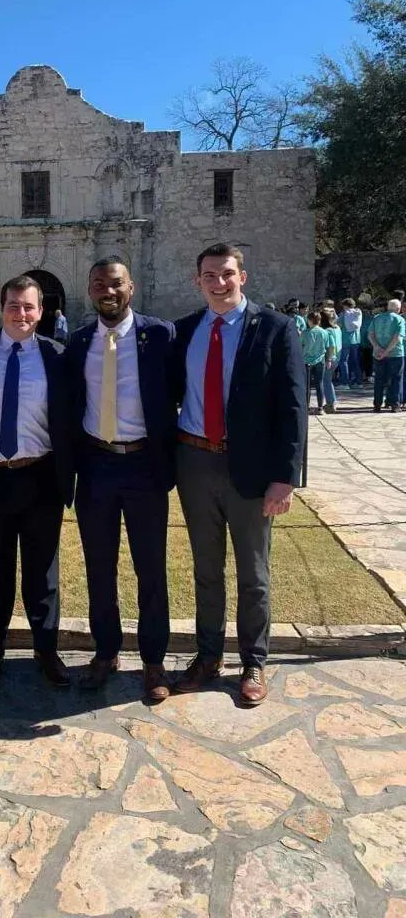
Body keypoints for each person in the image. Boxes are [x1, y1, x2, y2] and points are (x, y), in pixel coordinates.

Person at [173, 243, 306, 706]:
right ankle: (208, 656)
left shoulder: (274, 329)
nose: (219, 282)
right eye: (210, 275)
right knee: (206, 569)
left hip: (249, 469)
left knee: (253, 572)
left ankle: (253, 660)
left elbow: (293, 407)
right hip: (195, 463)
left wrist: (285, 477)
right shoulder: (185, 331)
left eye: (227, 273)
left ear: (242, 277)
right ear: (198, 281)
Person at [66, 256, 177, 702]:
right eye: (98, 284)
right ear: (89, 290)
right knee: (99, 567)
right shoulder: (78, 342)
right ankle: (106, 651)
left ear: (131, 287)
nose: (107, 291)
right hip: (96, 466)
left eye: (115, 283)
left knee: (150, 568)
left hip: (144, 466)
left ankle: (153, 660)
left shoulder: (161, 336)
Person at [0, 275, 73, 692]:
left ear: (41, 311)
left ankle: (46, 651)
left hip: (40, 476)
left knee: (43, 574)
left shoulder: (58, 356)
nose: (20, 314)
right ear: (1, 307)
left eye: (28, 307)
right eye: (13, 305)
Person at [369, 298, 405, 413]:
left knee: (379, 379)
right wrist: (386, 351)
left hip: (377, 354)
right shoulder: (400, 319)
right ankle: (395, 405)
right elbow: (397, 338)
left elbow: (370, 334)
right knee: (396, 379)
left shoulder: (377, 318)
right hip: (395, 354)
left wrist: (377, 347)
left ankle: (377, 404)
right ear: (398, 309)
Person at [301, 311, 332, 414]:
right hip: (320, 360)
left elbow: (300, 346)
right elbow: (329, 347)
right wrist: (329, 359)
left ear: (309, 320)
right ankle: (320, 407)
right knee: (319, 384)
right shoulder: (325, 332)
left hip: (306, 361)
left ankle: (306, 407)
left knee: (307, 385)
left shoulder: (305, 333)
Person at [319, 308, 341, 413]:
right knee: (328, 380)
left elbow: (331, 346)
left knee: (326, 381)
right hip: (336, 357)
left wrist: (328, 359)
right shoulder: (337, 328)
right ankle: (332, 401)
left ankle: (331, 403)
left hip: (330, 358)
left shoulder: (327, 331)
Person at [338, 298, 363, 387]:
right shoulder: (358, 313)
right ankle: (358, 382)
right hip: (356, 340)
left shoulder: (343, 314)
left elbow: (338, 325)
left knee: (343, 361)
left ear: (345, 306)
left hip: (345, 340)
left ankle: (344, 382)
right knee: (355, 361)